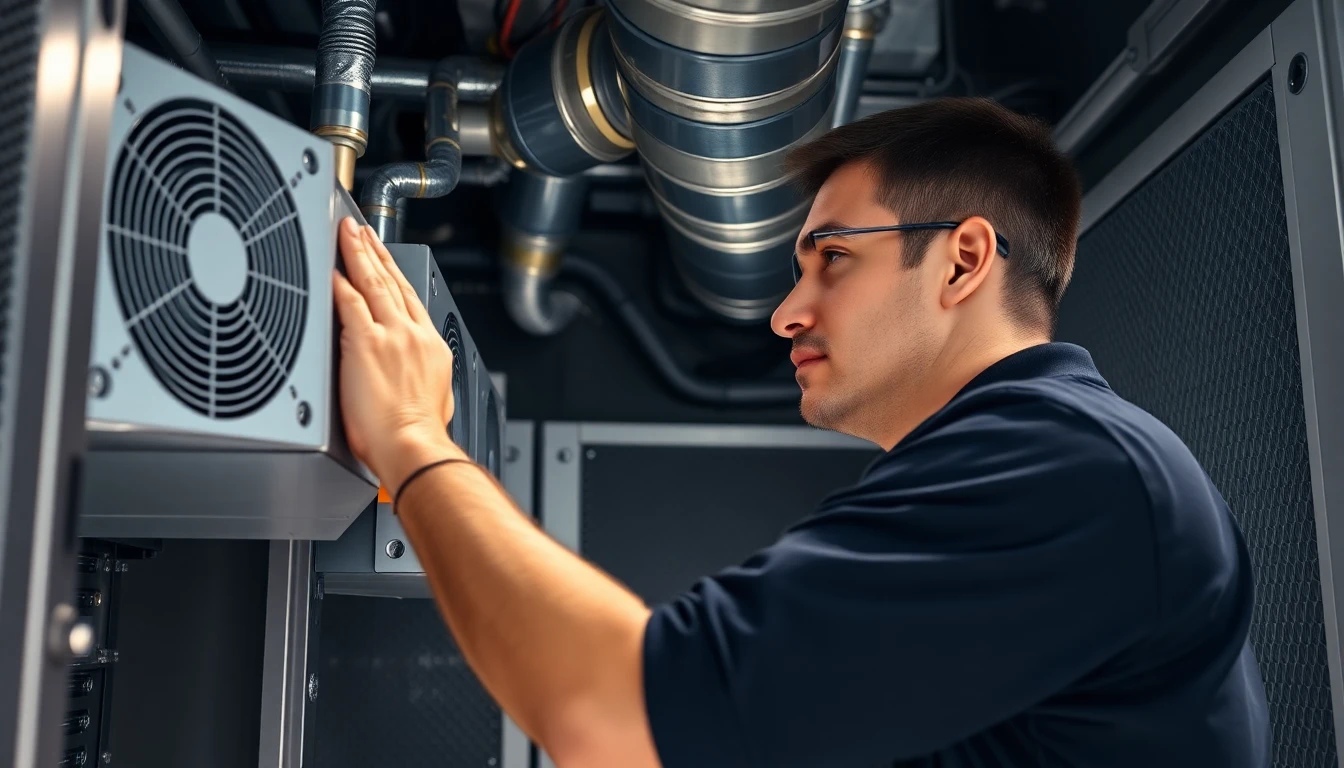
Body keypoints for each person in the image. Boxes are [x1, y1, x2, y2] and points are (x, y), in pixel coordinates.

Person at [330, 97, 1271, 767]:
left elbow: (619, 723)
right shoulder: (1016, 477)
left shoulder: (1072, 474)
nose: (786, 313)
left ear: (964, 260)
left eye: (832, 261)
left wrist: (414, 440)